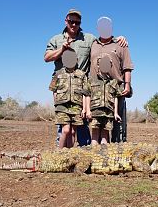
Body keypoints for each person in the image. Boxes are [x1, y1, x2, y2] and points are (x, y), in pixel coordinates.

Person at [44, 9, 128, 146]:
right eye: (71, 21)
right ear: (66, 21)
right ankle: (62, 158)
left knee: (82, 124)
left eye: (77, 22)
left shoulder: (88, 38)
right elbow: (46, 58)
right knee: (65, 129)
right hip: (63, 90)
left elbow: (103, 43)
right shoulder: (56, 39)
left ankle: (83, 154)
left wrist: (119, 39)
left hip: (82, 88)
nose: (74, 24)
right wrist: (62, 50)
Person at [86, 17, 134, 144]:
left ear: (111, 28)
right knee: (96, 127)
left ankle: (117, 154)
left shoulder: (120, 44)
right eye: (101, 26)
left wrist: (127, 85)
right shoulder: (92, 44)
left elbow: (127, 67)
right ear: (97, 28)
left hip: (115, 89)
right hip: (96, 91)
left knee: (117, 127)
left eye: (107, 26)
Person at [48, 50, 89, 148]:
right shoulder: (58, 74)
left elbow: (85, 93)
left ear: (76, 60)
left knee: (73, 131)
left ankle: (69, 154)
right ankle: (60, 153)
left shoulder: (82, 75)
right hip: (62, 106)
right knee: (65, 130)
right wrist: (56, 104)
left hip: (76, 106)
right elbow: (53, 90)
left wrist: (84, 108)